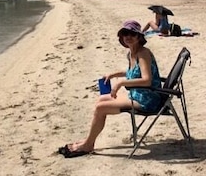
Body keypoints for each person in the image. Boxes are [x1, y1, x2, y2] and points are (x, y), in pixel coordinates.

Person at [58, 20, 166, 158]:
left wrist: (120, 84)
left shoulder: (143, 53)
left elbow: (146, 80)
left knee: (100, 108)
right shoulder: (131, 53)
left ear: (139, 37)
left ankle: (88, 144)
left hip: (148, 100)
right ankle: (89, 140)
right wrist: (113, 75)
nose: (128, 36)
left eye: (132, 33)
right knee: (101, 99)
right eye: (125, 34)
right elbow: (133, 72)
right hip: (138, 94)